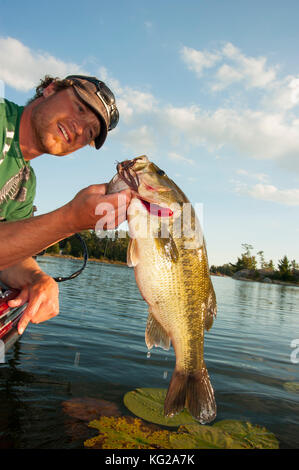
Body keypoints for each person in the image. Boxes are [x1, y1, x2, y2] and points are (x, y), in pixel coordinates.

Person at [0, 74, 132, 335]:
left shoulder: (26, 181)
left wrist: (36, 277)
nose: (80, 128)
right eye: (80, 107)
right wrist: (70, 220)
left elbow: (7, 257)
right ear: (50, 89)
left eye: (91, 132)